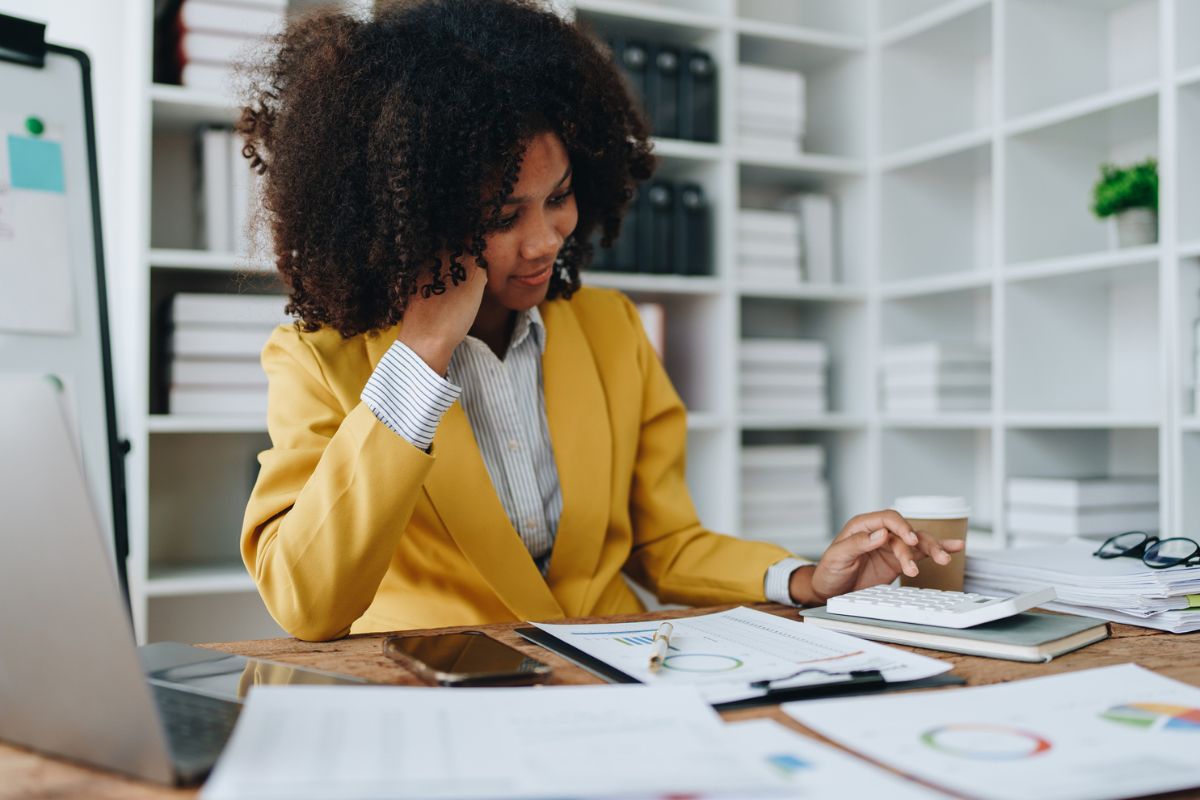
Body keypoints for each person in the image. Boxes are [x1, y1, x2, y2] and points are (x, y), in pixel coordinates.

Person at [238, 0, 963, 642]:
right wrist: (423, 352)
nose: (547, 239)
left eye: (559, 196)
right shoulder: (320, 358)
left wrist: (805, 579)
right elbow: (309, 603)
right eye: (502, 216)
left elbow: (668, 545)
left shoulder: (609, 327)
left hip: (621, 674)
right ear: (413, 214)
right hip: (446, 696)